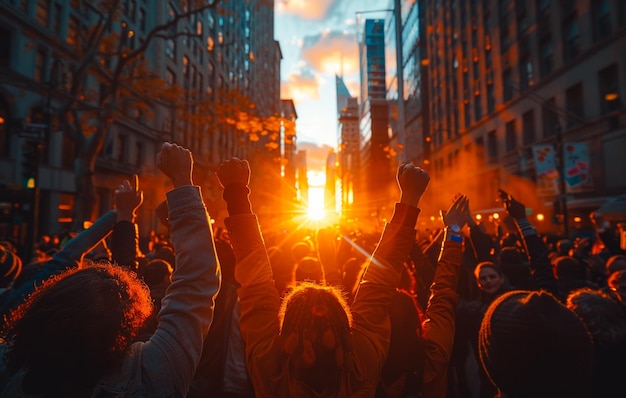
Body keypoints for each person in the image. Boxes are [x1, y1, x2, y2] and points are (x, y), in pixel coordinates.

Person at [216, 157, 465, 397]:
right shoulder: (361, 364)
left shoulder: (269, 367)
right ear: (347, 327)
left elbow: (256, 287)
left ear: (285, 330)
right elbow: (383, 281)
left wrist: (237, 195)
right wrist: (412, 202)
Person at [0, 142, 221, 397]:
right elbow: (196, 284)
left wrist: (122, 214)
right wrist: (183, 181)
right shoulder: (151, 375)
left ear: (41, 305)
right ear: (127, 324)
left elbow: (62, 261)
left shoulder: (10, 367)